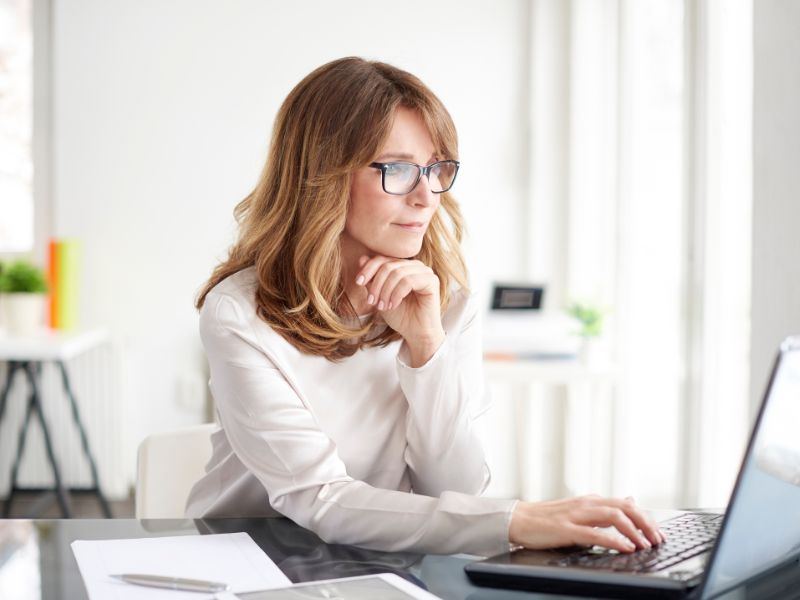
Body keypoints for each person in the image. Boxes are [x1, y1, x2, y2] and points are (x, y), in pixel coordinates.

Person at [185, 56, 663, 556]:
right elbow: (320, 498)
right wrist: (518, 519)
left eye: (436, 169)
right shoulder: (239, 314)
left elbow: (454, 490)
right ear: (323, 175)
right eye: (397, 169)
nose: (426, 196)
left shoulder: (447, 300)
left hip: (376, 558)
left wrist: (427, 348)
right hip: (244, 557)